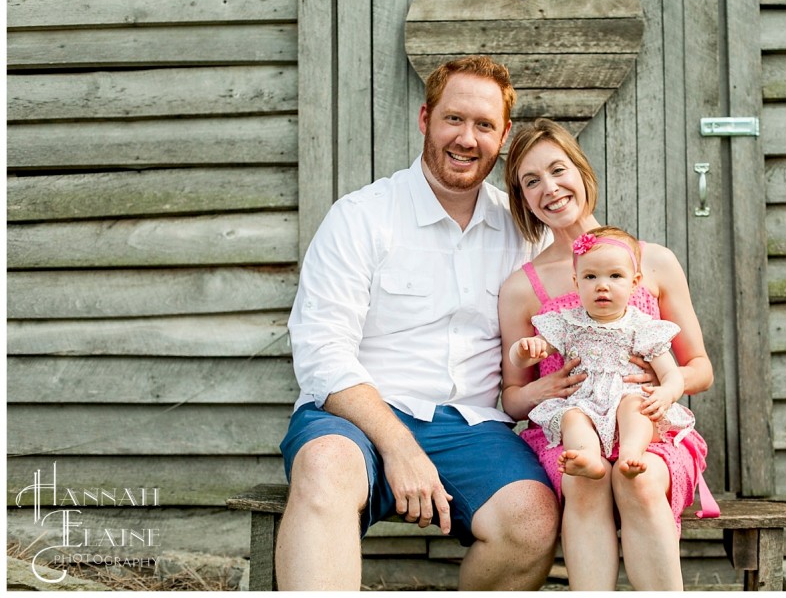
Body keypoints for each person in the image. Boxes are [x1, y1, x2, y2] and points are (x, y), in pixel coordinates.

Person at [277, 56, 560, 591]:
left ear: (502, 139)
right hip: (356, 417)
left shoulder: (524, 231)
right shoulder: (361, 217)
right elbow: (322, 352)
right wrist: (399, 445)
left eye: (484, 126)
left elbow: (578, 301)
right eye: (455, 119)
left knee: (533, 516)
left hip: (474, 427)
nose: (467, 138)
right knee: (326, 466)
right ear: (425, 118)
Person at [498, 118, 717, 591]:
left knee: (636, 480)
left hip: (648, 431)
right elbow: (512, 399)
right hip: (572, 435)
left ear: (581, 171)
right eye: (531, 181)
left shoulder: (650, 261)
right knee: (584, 477)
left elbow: (700, 368)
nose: (549, 189)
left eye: (558, 170)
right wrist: (540, 388)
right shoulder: (522, 287)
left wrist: (664, 384)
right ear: (521, 198)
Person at [509, 227, 697, 480]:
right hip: (585, 405)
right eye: (591, 277)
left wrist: (666, 393)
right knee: (572, 416)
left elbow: (671, 375)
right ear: (577, 283)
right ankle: (588, 456)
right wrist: (523, 351)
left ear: (634, 283)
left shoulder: (642, 327)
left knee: (634, 405)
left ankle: (632, 452)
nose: (602, 286)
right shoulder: (567, 323)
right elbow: (524, 360)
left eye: (615, 276)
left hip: (629, 409)